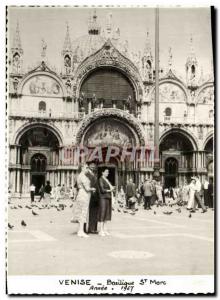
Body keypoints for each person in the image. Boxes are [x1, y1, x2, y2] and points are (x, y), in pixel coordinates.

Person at [73, 163, 96, 238]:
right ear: (82, 168)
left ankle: (80, 230)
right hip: (84, 194)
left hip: (81, 193)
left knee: (81, 213)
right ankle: (81, 231)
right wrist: (93, 189)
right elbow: (87, 188)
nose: (87, 169)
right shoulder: (83, 176)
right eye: (86, 167)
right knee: (83, 213)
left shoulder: (79, 175)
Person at [98, 169, 114, 236]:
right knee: (103, 212)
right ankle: (101, 230)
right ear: (102, 172)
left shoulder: (107, 180)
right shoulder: (100, 179)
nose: (108, 173)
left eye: (108, 172)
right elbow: (102, 189)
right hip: (103, 198)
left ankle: (105, 229)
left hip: (108, 197)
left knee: (107, 213)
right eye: (106, 172)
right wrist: (110, 190)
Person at [86, 163, 99, 234]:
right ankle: (91, 228)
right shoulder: (87, 175)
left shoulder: (93, 175)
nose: (94, 168)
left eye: (94, 167)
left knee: (94, 213)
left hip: (95, 196)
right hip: (91, 196)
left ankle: (93, 228)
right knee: (91, 213)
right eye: (92, 167)